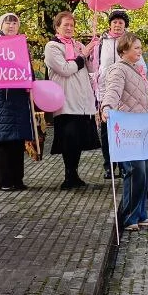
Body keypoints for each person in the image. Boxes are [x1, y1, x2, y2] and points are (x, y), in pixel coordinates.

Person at [99, 32, 148, 231]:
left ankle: (140, 213)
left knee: (145, 171)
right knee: (135, 171)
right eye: (136, 48)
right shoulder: (118, 70)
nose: (140, 51)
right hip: (129, 131)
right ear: (124, 49)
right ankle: (129, 216)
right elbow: (113, 91)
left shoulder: (137, 70)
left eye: (140, 47)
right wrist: (107, 107)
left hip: (143, 129)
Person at [44, 10, 101, 188]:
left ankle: (74, 174)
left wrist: (92, 52)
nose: (69, 28)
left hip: (82, 99)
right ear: (57, 27)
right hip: (65, 99)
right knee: (68, 139)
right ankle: (69, 175)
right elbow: (65, 69)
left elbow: (90, 68)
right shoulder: (52, 46)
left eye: (72, 25)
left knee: (78, 140)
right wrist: (83, 55)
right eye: (65, 25)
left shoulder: (77, 45)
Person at [0, 12, 33, 191]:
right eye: (7, 23)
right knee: (4, 139)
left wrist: (30, 82)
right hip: (3, 98)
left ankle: (17, 179)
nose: (11, 26)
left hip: (20, 96)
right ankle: (5, 181)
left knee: (18, 139)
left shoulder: (21, 44)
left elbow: (28, 68)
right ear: (1, 26)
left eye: (15, 23)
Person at [92, 9, 128, 173]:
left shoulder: (129, 41)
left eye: (121, 22)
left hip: (124, 92)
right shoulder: (101, 42)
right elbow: (94, 65)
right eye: (115, 22)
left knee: (122, 129)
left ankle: (123, 165)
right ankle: (109, 165)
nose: (117, 25)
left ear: (125, 25)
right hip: (105, 91)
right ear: (110, 24)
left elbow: (138, 63)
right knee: (106, 131)